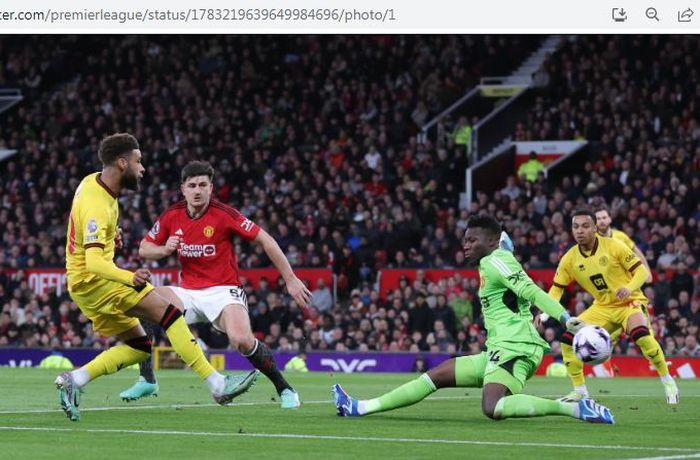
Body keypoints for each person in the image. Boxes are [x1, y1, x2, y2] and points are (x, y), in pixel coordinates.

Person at [333, 215, 614, 424]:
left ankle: (576, 408)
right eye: (465, 240)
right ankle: (359, 407)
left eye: (472, 240)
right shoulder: (491, 263)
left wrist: (564, 318)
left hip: (515, 347)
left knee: (493, 407)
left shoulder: (497, 260)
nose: (465, 246)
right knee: (438, 374)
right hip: (500, 348)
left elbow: (530, 289)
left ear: (493, 241)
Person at [57, 134, 257, 421]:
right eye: (138, 161)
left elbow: (85, 224)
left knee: (140, 348)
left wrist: (112, 233)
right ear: (122, 163)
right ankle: (217, 384)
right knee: (170, 313)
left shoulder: (93, 182)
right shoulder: (97, 205)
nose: (143, 168)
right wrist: (129, 277)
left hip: (82, 286)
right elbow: (93, 262)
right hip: (96, 282)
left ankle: (73, 381)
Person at [119, 161, 312, 409]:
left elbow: (265, 240)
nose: (197, 190)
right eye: (192, 185)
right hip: (188, 291)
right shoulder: (172, 215)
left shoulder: (225, 215)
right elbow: (144, 248)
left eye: (202, 185)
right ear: (183, 189)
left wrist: (291, 279)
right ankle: (147, 378)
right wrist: (165, 249)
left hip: (224, 291)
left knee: (242, 340)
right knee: (145, 298)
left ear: (211, 188)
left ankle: (284, 388)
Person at [548, 209, 679, 404]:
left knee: (642, 337)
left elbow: (642, 272)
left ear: (594, 228)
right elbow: (556, 289)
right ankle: (580, 390)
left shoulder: (614, 245)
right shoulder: (569, 258)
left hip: (629, 302)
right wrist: (544, 314)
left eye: (585, 226)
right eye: (575, 227)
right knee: (568, 339)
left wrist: (628, 288)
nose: (580, 231)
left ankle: (667, 380)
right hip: (602, 307)